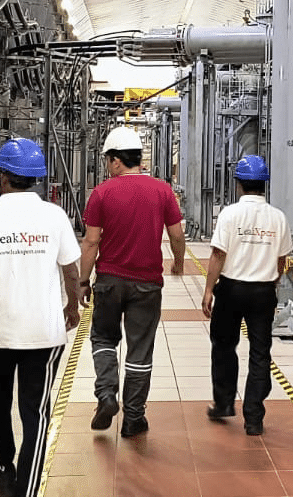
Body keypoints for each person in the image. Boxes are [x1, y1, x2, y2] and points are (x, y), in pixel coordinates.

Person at [0, 138, 80, 497]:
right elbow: (71, 271)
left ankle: (3, 468)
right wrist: (72, 307)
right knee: (36, 411)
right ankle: (27, 486)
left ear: (2, 177)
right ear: (37, 178)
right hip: (44, 333)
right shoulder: (55, 216)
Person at [78, 126, 186, 437]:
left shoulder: (102, 193)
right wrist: (178, 264)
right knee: (140, 350)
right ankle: (134, 418)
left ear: (114, 161)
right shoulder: (162, 190)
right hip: (148, 283)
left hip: (110, 281)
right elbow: (177, 235)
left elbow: (91, 243)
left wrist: (83, 281)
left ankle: (107, 394)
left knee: (102, 339)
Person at [202, 155, 291, 436]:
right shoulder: (278, 217)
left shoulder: (230, 214)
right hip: (263, 291)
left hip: (231, 288)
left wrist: (208, 289)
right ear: (264, 184)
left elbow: (218, 253)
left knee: (224, 345)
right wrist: (272, 282)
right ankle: (254, 417)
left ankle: (225, 402)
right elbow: (282, 259)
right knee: (260, 353)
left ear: (238, 183)